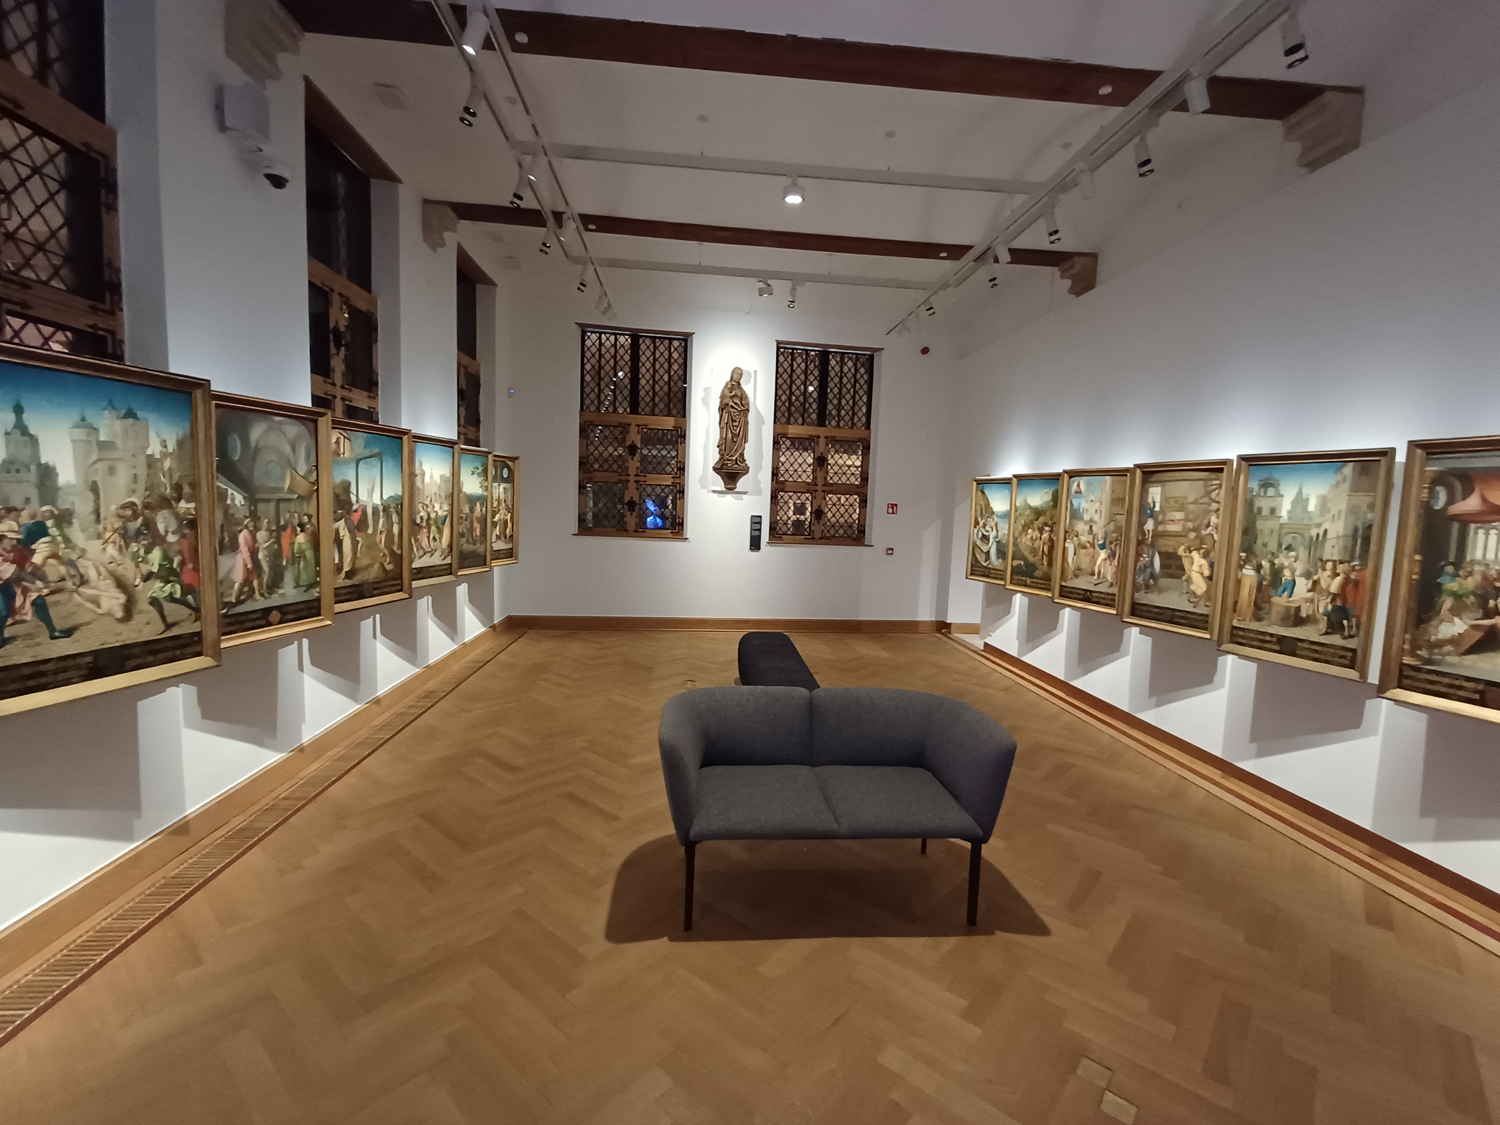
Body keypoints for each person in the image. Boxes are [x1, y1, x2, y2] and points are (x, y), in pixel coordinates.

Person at [0, 519, 74, 649]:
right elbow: (15, 573)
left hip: (13, 585)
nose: (14, 542)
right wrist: (35, 581)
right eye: (10, 539)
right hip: (3, 586)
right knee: (3, 612)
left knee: (39, 601)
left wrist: (44, 579)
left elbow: (28, 566)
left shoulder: (16, 550)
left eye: (15, 539)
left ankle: (53, 632)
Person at [137, 542, 198, 633]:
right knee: (166, 598)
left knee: (157, 598)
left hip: (170, 578)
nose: (143, 546)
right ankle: (195, 610)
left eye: (145, 544)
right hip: (164, 579)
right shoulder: (148, 552)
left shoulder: (159, 552)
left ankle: (195, 609)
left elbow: (156, 571)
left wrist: (146, 577)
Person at [293, 516, 318, 591]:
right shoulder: (306, 535)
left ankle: (306, 583)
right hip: (310, 553)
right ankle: (309, 582)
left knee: (304, 569)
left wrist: (298, 553)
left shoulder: (300, 537)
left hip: (305, 554)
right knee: (307, 568)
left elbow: (296, 549)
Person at [1234, 552, 1259, 623]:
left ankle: (1242, 614)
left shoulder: (1245, 568)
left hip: (1247, 580)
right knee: (1247, 598)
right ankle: (1244, 615)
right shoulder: (1250, 571)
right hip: (1249, 581)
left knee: (1245, 597)